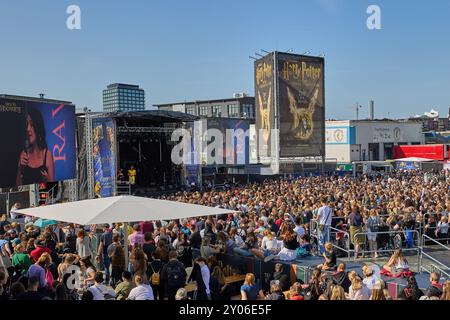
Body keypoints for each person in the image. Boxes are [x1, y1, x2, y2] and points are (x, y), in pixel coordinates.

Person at [16, 107, 55, 186]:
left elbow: (53, 185)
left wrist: (47, 180)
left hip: (42, 196)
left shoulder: (47, 155)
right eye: (27, 125)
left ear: (38, 127)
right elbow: (17, 187)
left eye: (32, 125)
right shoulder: (24, 154)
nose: (28, 129)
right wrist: (20, 168)